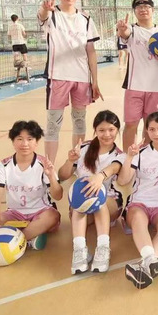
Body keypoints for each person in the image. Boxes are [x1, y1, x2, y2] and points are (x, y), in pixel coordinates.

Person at [38, 0, 103, 164]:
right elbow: (42, 16)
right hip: (58, 76)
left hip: (82, 78)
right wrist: (45, 8)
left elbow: (91, 51)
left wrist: (95, 81)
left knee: (80, 121)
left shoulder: (86, 19)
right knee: (53, 124)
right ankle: (49, 168)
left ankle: (77, 163)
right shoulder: (52, 14)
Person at [118, 112, 158, 288]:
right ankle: (150, 260)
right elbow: (123, 181)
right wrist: (129, 157)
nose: (156, 133)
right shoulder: (140, 152)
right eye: (152, 129)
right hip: (139, 202)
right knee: (138, 220)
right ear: (146, 131)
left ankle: (145, 266)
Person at [0, 120, 62, 252]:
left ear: (36, 142)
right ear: (13, 141)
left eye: (30, 139)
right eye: (20, 139)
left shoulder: (43, 164)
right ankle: (29, 239)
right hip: (14, 214)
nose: (25, 144)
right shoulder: (4, 165)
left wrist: (51, 176)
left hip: (40, 212)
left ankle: (14, 241)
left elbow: (58, 195)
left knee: (53, 217)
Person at [58, 110, 123, 274]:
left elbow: (114, 167)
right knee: (83, 201)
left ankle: (103, 248)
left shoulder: (119, 154)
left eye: (111, 130)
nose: (107, 134)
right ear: (95, 130)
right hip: (81, 203)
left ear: (117, 130)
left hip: (110, 202)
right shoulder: (83, 148)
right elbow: (62, 175)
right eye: (101, 130)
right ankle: (80, 251)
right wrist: (70, 161)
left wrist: (99, 177)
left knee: (96, 198)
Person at [116, 0, 158, 150]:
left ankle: (148, 156)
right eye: (139, 7)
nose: (143, 9)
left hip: (156, 88)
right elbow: (125, 34)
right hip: (135, 86)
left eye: (146, 7)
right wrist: (122, 30)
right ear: (134, 11)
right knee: (131, 124)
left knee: (153, 126)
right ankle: (128, 157)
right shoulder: (132, 30)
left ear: (153, 10)